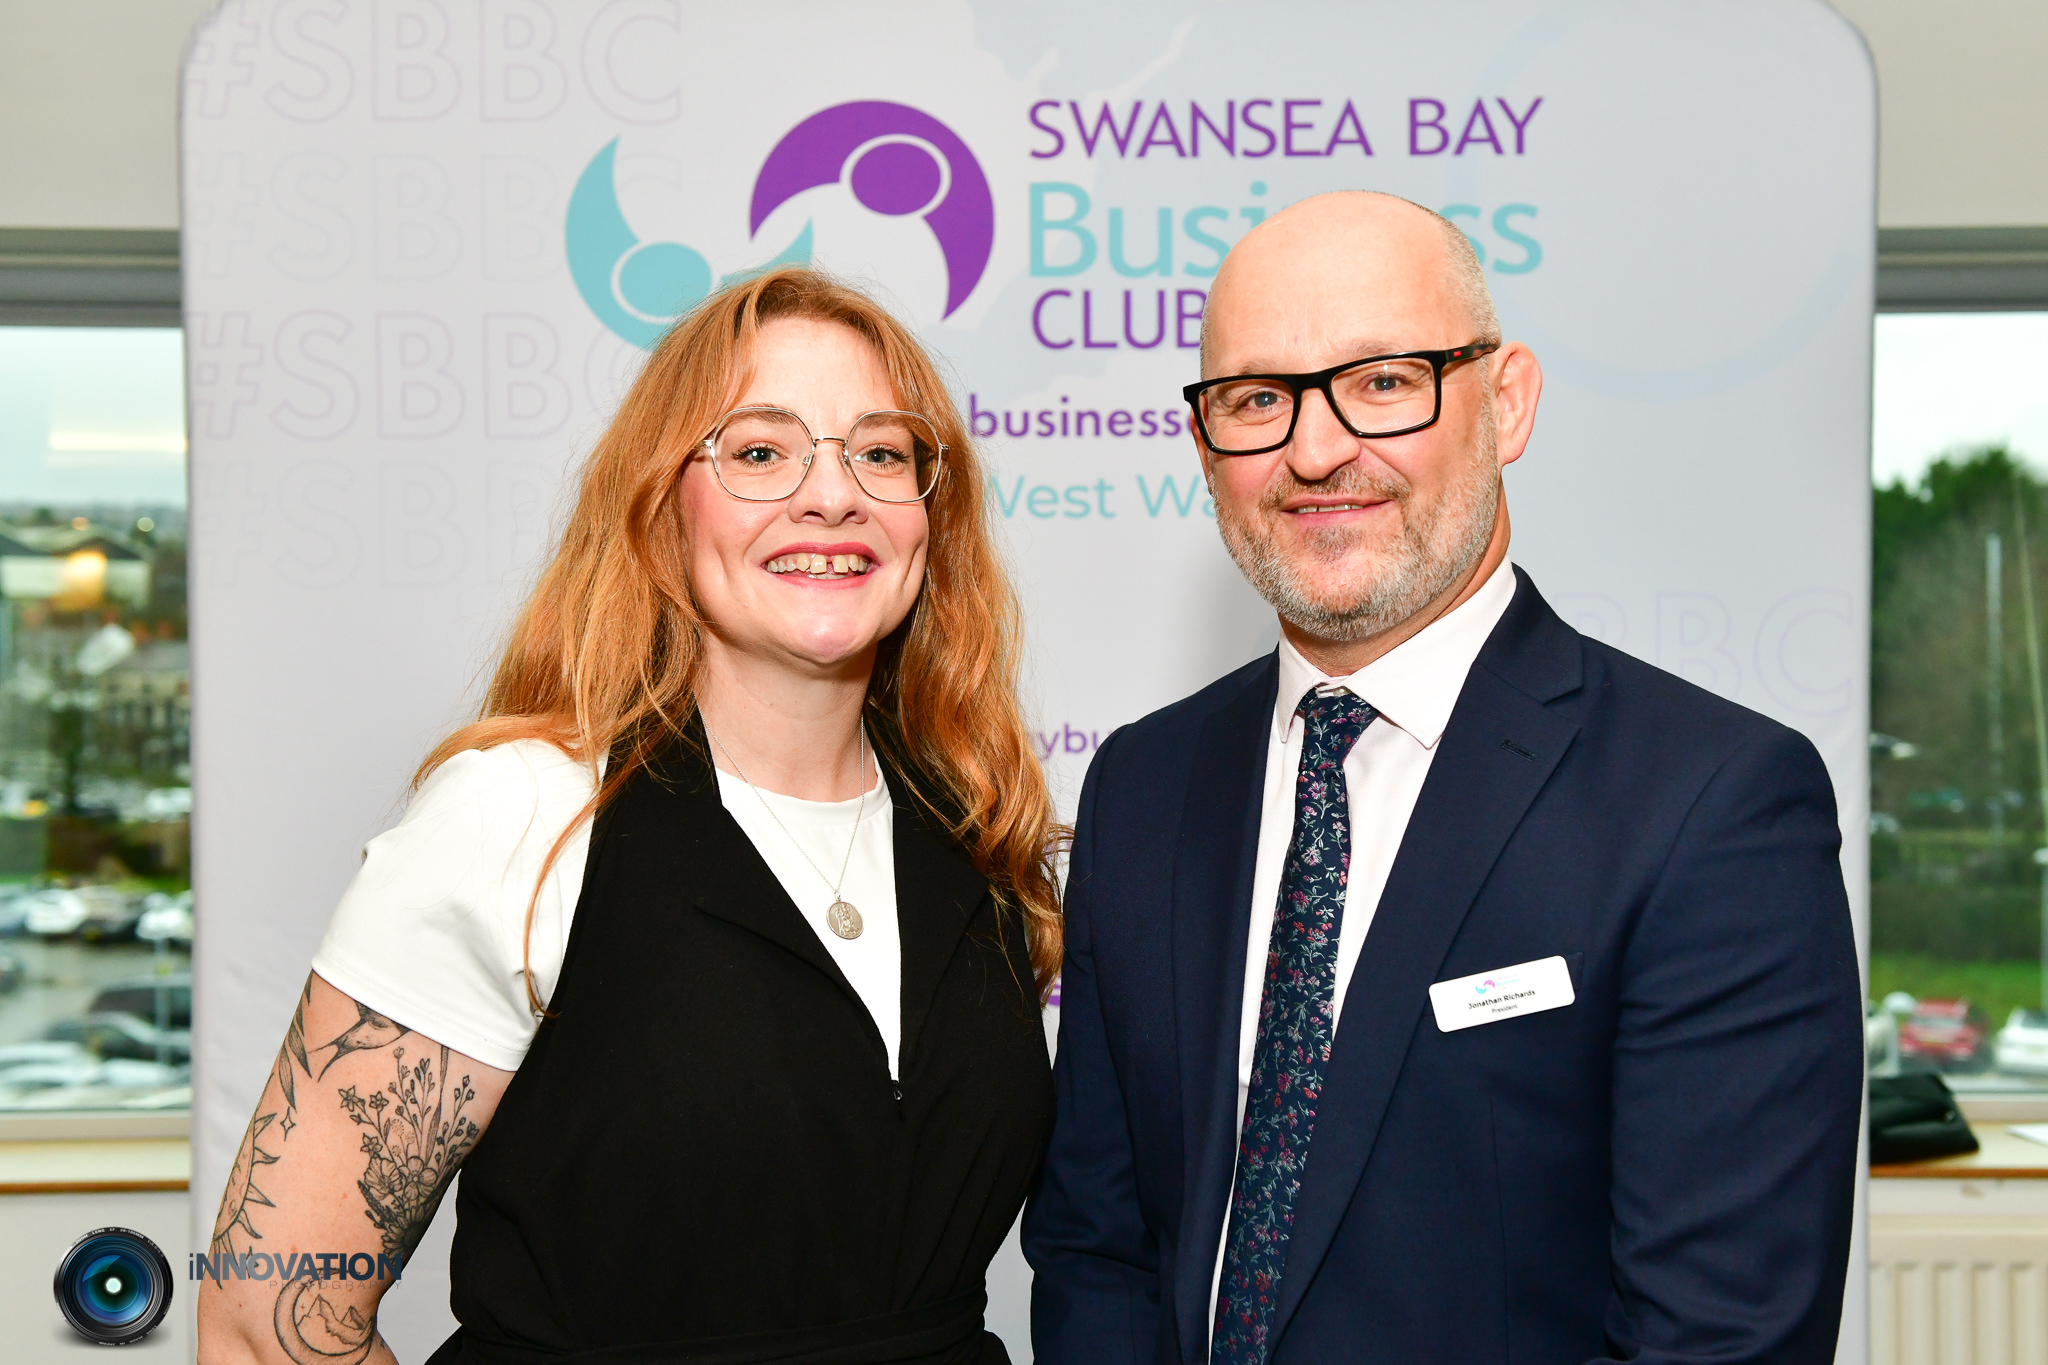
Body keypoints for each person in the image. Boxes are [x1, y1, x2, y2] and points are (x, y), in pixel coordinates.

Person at [1023, 192, 1863, 1365]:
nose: (1314, 451)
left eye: (1381, 381)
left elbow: (1721, 1336)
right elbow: (1096, 1249)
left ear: (1504, 402)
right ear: (1204, 444)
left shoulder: (1707, 804)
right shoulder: (1143, 785)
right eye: (1256, 399)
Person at [199, 268, 1061, 1365]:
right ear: (660, 508)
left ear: (931, 514)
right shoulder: (527, 813)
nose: (832, 495)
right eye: (760, 451)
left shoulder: (975, 830)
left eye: (881, 453)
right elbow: (264, 1322)